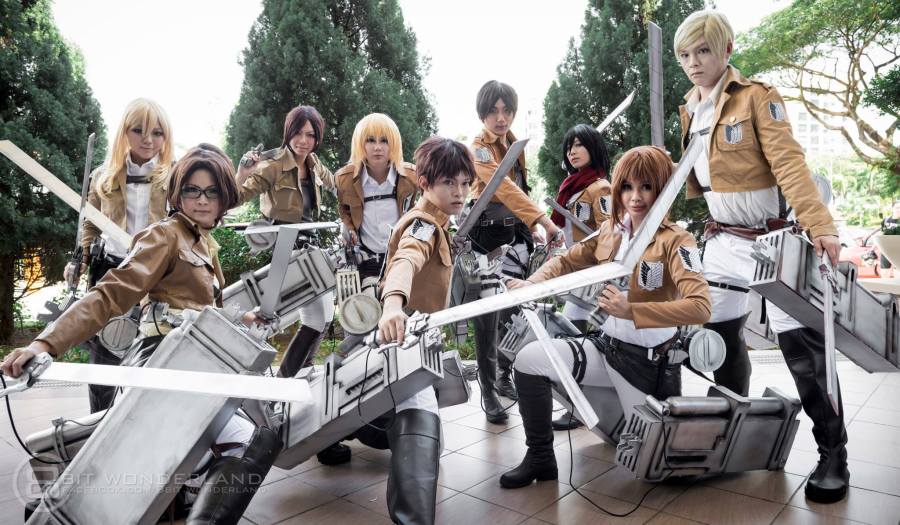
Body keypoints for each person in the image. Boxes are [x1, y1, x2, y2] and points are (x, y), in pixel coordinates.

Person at [3, 144, 280, 522]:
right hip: (164, 362)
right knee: (247, 443)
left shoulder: (203, 243)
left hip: (193, 366)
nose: (202, 199)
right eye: (192, 190)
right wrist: (45, 343)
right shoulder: (164, 235)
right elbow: (111, 293)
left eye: (212, 191)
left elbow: (199, 310)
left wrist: (243, 319)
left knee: (229, 446)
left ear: (224, 197)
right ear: (177, 194)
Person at [675, 10, 848, 503]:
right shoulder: (690, 107)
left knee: (804, 351)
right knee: (719, 338)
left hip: (772, 241)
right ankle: (730, 433)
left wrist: (820, 225)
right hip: (721, 242)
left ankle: (833, 452)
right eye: (685, 55)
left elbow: (789, 163)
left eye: (703, 51)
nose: (693, 62)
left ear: (727, 50)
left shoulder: (756, 97)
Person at [500, 145, 711, 489]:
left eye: (646, 187)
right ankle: (540, 458)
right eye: (627, 187)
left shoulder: (677, 241)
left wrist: (632, 310)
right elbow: (567, 259)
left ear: (663, 189)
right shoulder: (612, 230)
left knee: (660, 472)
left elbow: (700, 307)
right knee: (528, 361)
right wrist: (531, 284)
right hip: (606, 349)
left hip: (648, 365)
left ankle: (654, 435)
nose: (635, 197)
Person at [374, 136, 475, 524]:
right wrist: (393, 305)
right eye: (449, 183)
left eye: (464, 183)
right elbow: (406, 261)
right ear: (425, 183)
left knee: (428, 434)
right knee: (419, 415)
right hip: (405, 338)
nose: (459, 192)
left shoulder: (439, 221)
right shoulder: (424, 224)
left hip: (419, 338)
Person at [62, 98, 175, 413]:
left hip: (157, 276)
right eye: (138, 131)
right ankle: (99, 426)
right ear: (124, 132)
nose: (148, 140)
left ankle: (146, 429)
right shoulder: (104, 176)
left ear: (166, 136)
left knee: (158, 356)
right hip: (111, 272)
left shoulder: (175, 176)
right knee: (104, 361)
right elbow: (90, 223)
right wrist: (80, 259)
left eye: (157, 133)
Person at [466, 80, 562, 422]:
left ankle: (504, 375)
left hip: (515, 237)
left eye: (507, 110)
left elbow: (521, 189)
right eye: (493, 111)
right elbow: (504, 189)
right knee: (488, 318)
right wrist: (544, 221)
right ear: (482, 113)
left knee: (517, 313)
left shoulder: (514, 145)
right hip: (484, 240)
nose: (501, 118)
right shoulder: (478, 149)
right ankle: (489, 392)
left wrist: (529, 228)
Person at [548, 124, 612, 430]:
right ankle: (582, 405)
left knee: (580, 337)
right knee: (572, 336)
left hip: (596, 277)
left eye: (579, 145)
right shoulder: (572, 186)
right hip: (578, 273)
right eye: (569, 146)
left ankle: (585, 407)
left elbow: (609, 235)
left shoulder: (599, 188)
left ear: (593, 148)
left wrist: (604, 275)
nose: (572, 152)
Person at [335, 113, 418, 284]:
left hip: (402, 257)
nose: (378, 147)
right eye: (371, 140)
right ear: (360, 144)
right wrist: (350, 228)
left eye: (384, 141)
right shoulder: (345, 179)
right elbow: (343, 208)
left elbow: (427, 206)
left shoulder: (412, 176)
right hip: (366, 261)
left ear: (394, 143)